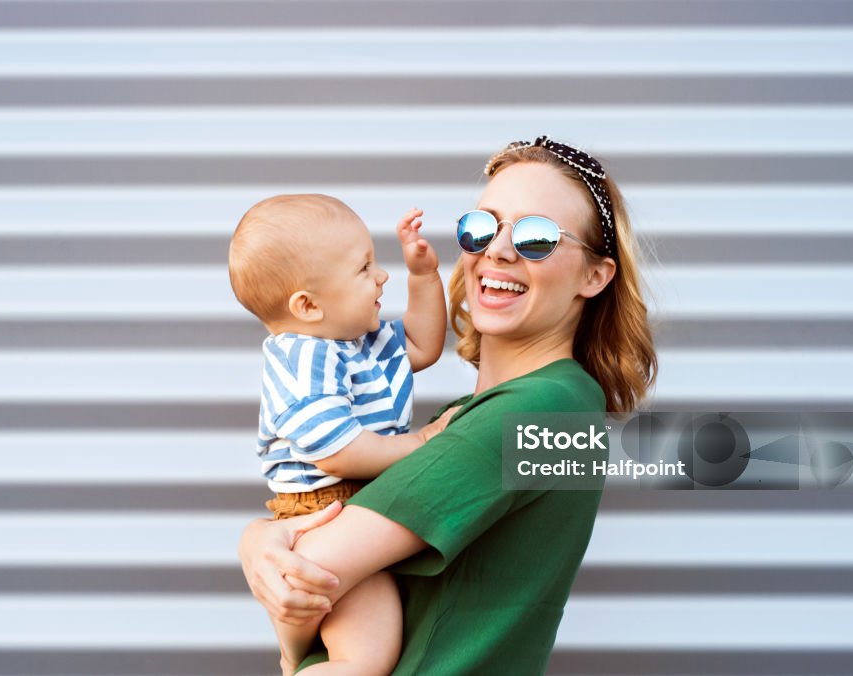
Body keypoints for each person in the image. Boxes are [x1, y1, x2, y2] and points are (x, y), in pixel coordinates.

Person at [239, 136, 658, 674]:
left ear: (594, 276)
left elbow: (307, 574)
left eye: (536, 237)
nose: (498, 251)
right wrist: (259, 541)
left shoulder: (544, 407)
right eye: (482, 227)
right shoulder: (495, 411)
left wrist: (259, 549)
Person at [228, 194, 450, 675]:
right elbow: (338, 452)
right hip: (327, 510)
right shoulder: (304, 358)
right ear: (308, 306)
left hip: (345, 506)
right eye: (364, 267)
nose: (381, 276)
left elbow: (423, 345)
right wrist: (422, 443)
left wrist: (424, 276)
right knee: (364, 660)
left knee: (340, 654)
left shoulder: (358, 344)